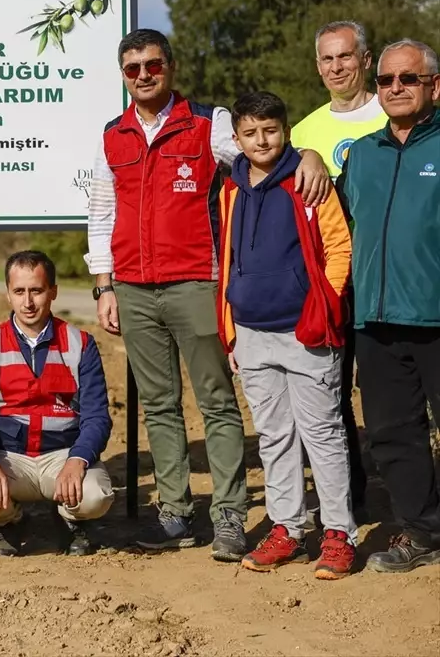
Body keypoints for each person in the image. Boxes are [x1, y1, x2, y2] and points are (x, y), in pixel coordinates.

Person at [84, 28, 332, 561]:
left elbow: (262, 150)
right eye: (133, 68)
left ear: (170, 67)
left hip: (197, 280)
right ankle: (175, 513)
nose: (144, 75)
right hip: (132, 287)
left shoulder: (207, 123)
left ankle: (228, 516)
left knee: (217, 402)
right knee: (159, 405)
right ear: (123, 76)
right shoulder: (113, 135)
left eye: (153, 65)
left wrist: (308, 154)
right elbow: (102, 212)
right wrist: (104, 284)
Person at [217, 91, 357, 580]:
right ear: (237, 138)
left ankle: (339, 534)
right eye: (250, 133)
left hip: (306, 330)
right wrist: (231, 328)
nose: (261, 141)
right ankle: (288, 528)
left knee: (323, 434)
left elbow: (339, 247)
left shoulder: (308, 179)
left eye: (270, 130)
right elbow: (228, 257)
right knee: (274, 436)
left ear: (286, 130)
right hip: (251, 332)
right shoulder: (230, 189)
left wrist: (325, 305)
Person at [337, 39, 440, 573]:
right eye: (385, 80)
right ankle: (423, 532)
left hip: (435, 316)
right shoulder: (362, 154)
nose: (395, 87)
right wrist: (307, 156)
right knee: (393, 434)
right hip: (374, 320)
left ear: (434, 87)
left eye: (408, 78)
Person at [0, 250, 114, 557]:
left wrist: (78, 460)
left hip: (63, 456)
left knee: (96, 496)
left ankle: (69, 519)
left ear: (53, 291)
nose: (27, 302)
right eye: (19, 291)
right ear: (8, 294)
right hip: (9, 457)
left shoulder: (81, 343)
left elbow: (97, 416)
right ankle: (10, 521)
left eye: (36, 291)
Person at [289, 20, 382, 516]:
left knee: (394, 395)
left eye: (345, 56)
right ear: (317, 66)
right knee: (333, 395)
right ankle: (352, 498)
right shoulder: (304, 132)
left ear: (366, 59)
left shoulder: (393, 109)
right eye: (327, 58)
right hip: (333, 284)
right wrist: (306, 153)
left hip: (389, 275)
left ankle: (416, 497)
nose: (336, 67)